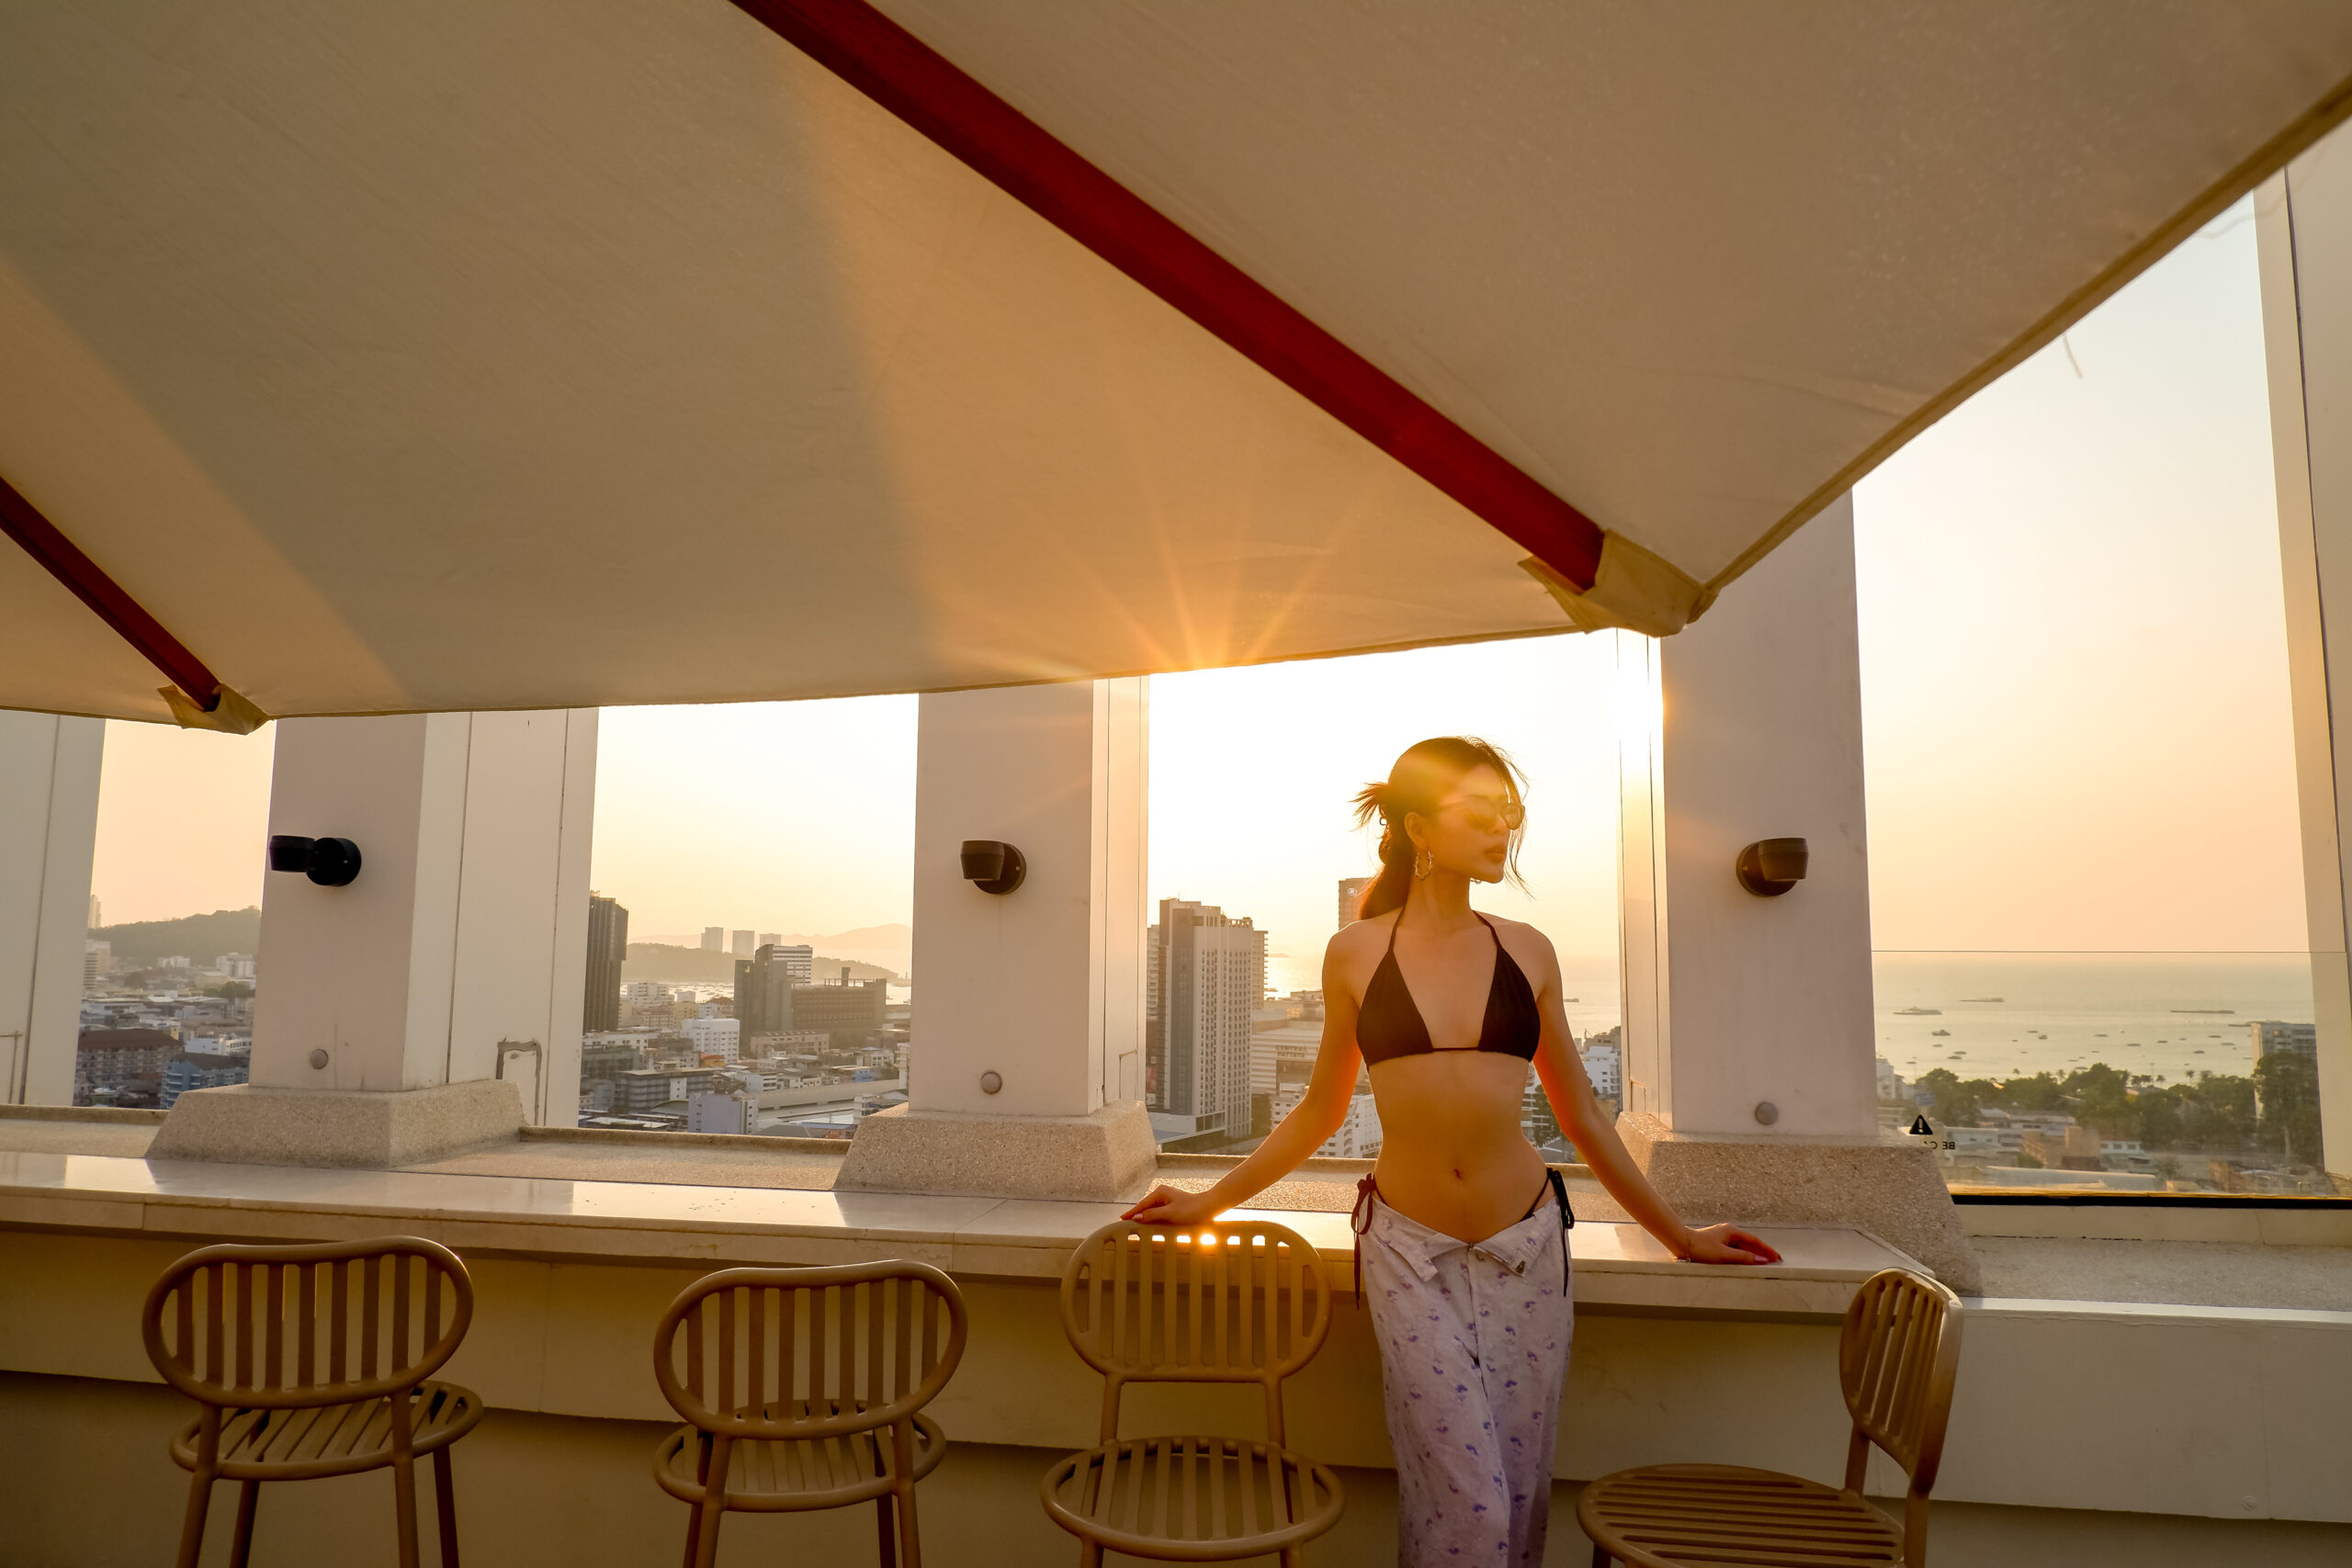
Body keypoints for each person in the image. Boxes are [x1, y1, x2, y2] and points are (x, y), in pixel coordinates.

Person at [1124, 736, 1781, 1567]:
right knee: (1467, 1504)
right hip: (1409, 1255)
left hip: (1528, 1247)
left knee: (1514, 1490)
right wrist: (1205, 1201)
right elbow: (1321, 1111)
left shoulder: (1528, 949)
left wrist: (1681, 1235)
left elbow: (1580, 1113)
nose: (1503, 830)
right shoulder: (1358, 952)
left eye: (1510, 814)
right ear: (1419, 828)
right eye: (1482, 813)